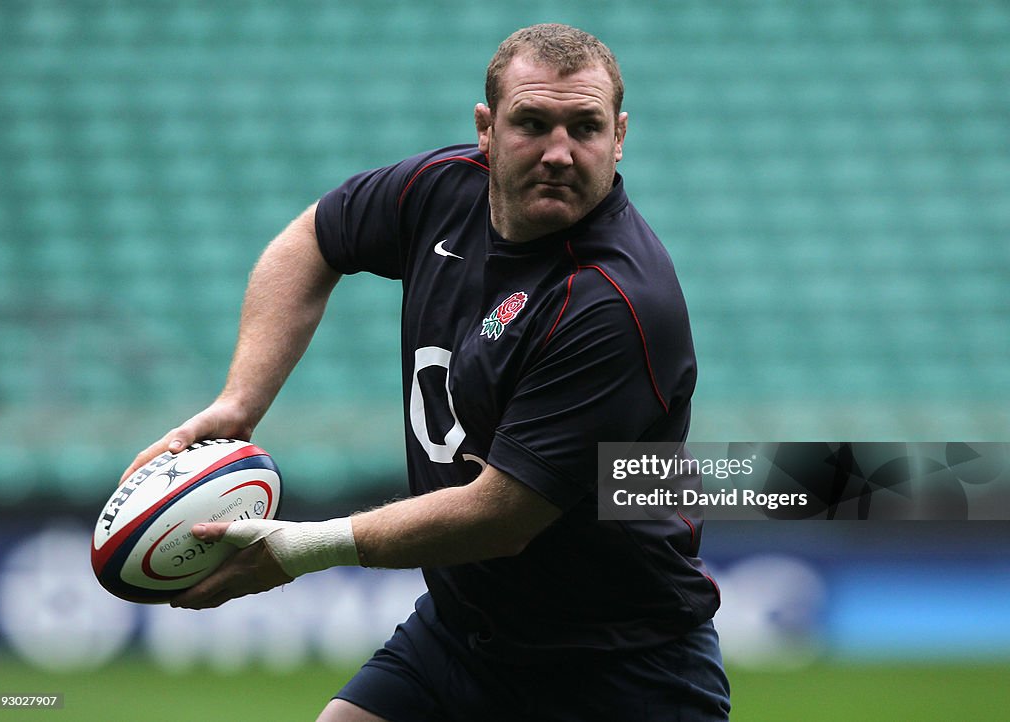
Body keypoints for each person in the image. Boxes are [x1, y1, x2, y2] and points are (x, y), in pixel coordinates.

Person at [122, 23, 730, 721]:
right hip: (465, 637)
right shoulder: (440, 190)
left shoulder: (616, 300)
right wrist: (239, 403)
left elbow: (502, 517)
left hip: (618, 665)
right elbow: (311, 242)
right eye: (532, 123)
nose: (559, 152)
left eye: (584, 127)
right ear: (487, 129)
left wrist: (295, 552)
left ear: (618, 136)